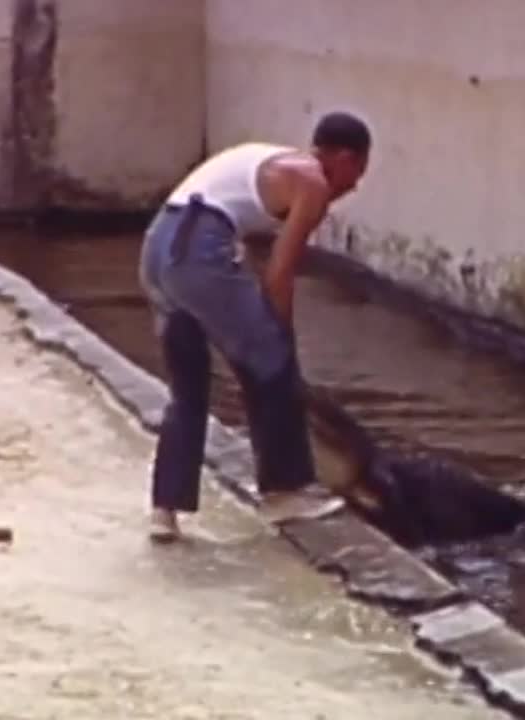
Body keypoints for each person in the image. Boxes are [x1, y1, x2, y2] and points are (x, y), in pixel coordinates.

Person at [138, 111, 372, 542]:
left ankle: (165, 511)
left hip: (157, 247)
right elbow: (280, 274)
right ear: (341, 157)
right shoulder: (313, 184)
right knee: (271, 358)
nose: (352, 186)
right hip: (196, 253)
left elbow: (228, 221)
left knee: (188, 390)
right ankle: (286, 492)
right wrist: (282, 337)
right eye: (356, 172)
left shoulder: (270, 160)